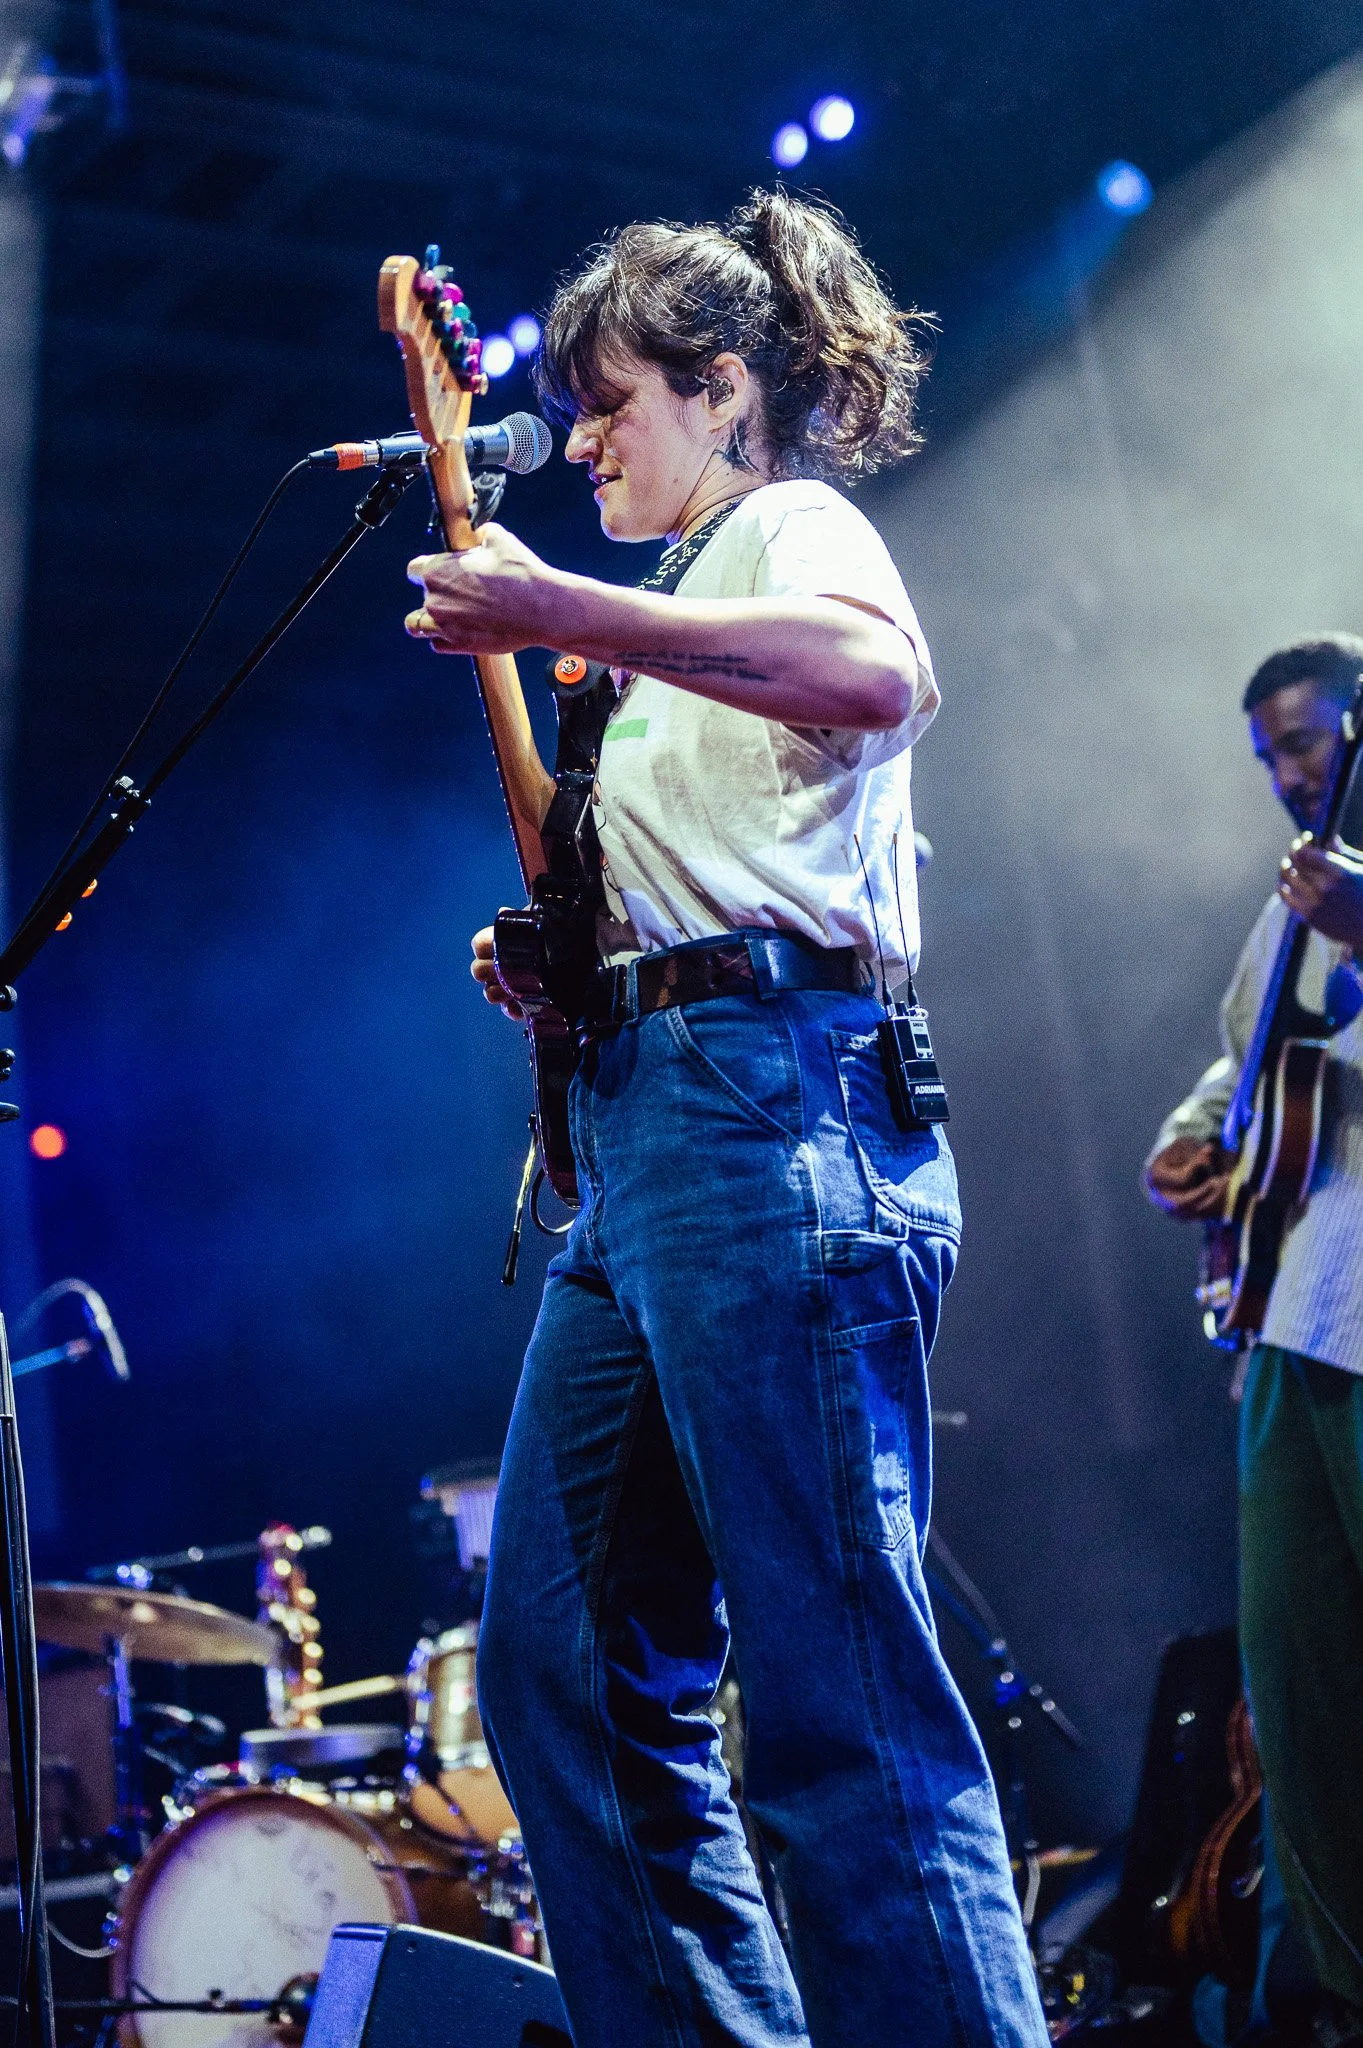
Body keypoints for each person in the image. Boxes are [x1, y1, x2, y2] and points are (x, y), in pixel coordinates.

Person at [404, 189, 1047, 2048]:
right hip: (649, 1139)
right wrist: (568, 957)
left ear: (721, 390)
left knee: (837, 1696)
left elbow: (877, 677)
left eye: (609, 403)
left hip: (775, 1113)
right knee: (563, 1674)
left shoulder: (785, 527)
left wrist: (550, 603)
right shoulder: (669, 625)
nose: (585, 439)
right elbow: (656, 852)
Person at [1145, 634, 1363, 2037]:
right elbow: (1250, 1060)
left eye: (1304, 740)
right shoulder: (1296, 894)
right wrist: (1185, 1143)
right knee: (1299, 1694)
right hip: (1290, 1316)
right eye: (1268, 756)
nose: (1286, 774)